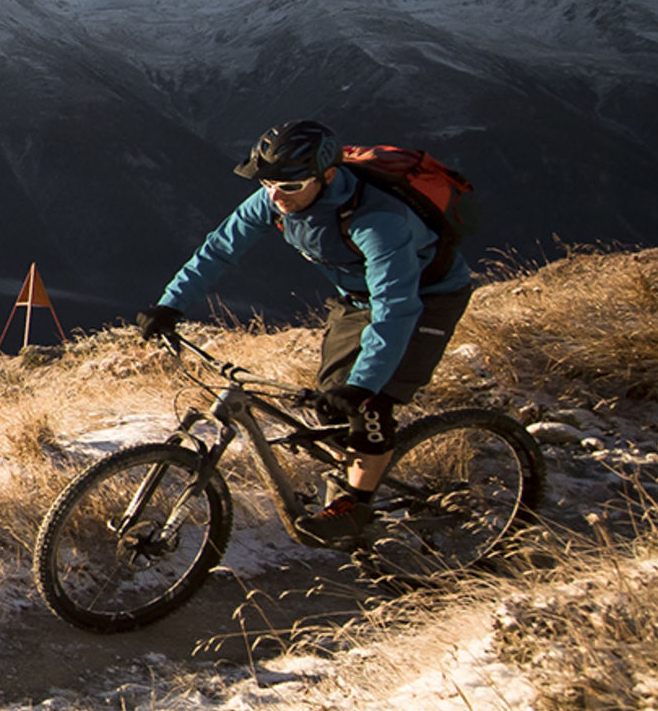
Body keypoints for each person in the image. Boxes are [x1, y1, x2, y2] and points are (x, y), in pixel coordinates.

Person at [139, 119, 474, 541]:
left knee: (368, 402)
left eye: (291, 187)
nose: (276, 196)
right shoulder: (274, 197)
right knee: (329, 399)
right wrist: (171, 304)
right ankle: (353, 474)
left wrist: (364, 384)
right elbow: (220, 248)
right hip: (357, 300)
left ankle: (356, 506)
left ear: (328, 176)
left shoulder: (379, 222)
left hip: (427, 300)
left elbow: (396, 307)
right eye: (268, 184)